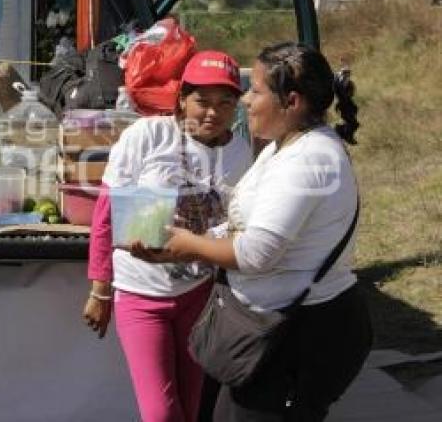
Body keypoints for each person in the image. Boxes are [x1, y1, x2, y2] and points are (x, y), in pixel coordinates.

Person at [137, 42, 371, 421]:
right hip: (274, 329)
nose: (245, 100)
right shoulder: (282, 147)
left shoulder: (308, 160)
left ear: (291, 101)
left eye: (256, 90)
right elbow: (247, 222)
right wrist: (187, 237)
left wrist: (189, 246)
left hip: (299, 336)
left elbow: (256, 253)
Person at [83, 51, 253, 422]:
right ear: (181, 99)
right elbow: (106, 213)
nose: (213, 113)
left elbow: (240, 224)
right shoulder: (149, 135)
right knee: (161, 413)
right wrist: (100, 289)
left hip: (201, 296)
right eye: (202, 102)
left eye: (225, 103)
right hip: (141, 294)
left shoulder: (241, 153)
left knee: (190, 409)